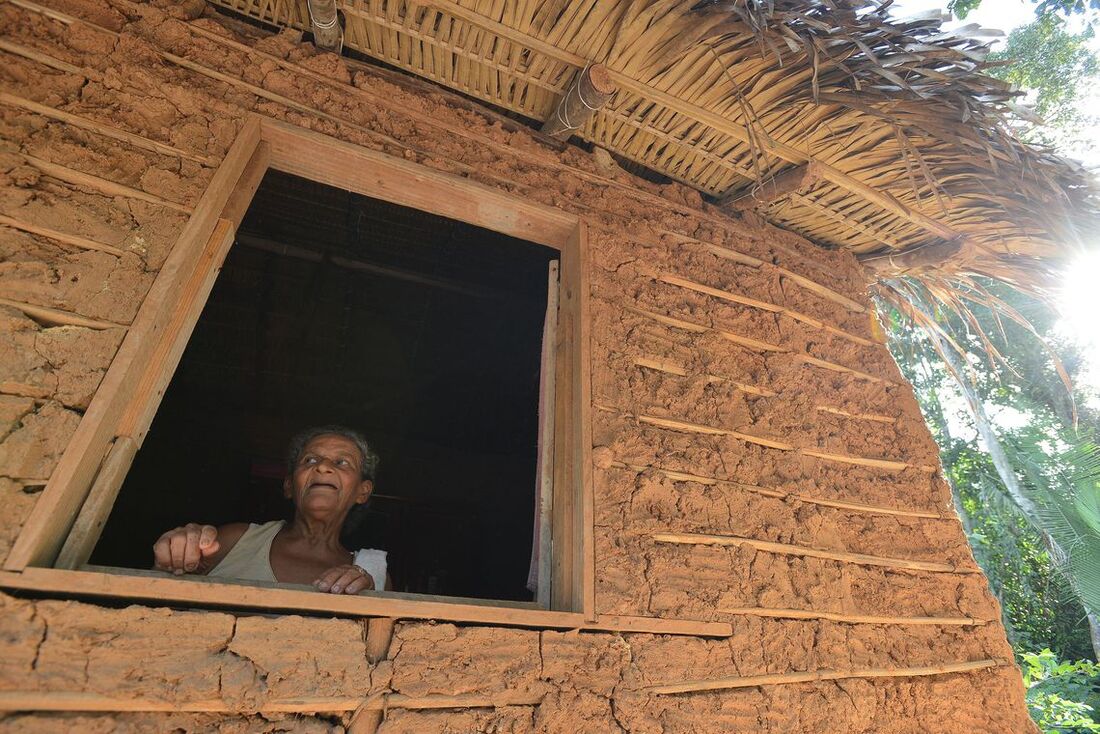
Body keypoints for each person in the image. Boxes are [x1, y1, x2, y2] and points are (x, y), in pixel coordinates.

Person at [153, 426, 388, 594]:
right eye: (310, 461)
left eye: (341, 462)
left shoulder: (372, 575)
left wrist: (367, 596)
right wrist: (176, 557)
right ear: (289, 486)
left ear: (362, 491)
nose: (323, 467)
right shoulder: (234, 541)